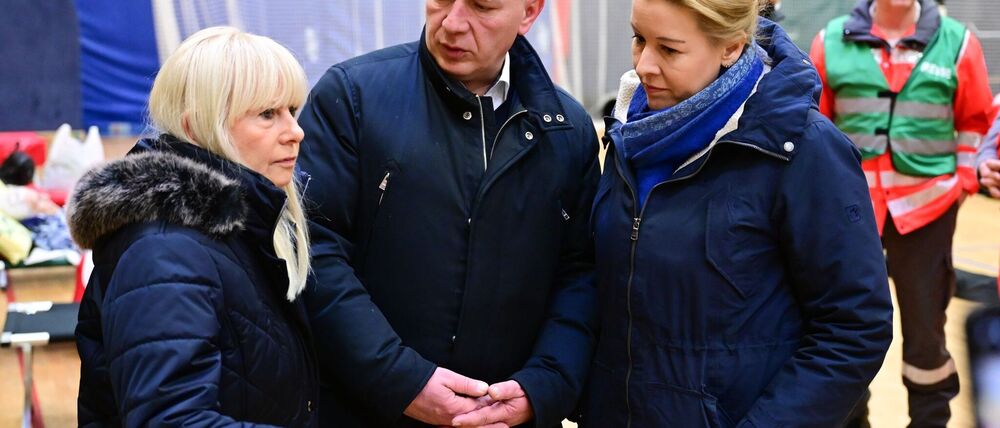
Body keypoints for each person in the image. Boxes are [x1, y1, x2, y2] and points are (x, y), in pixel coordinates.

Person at [583, 0, 894, 426]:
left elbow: (855, 327)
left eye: (669, 49)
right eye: (639, 39)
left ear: (731, 47)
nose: (644, 65)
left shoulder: (803, 149)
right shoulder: (627, 133)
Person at [296, 0, 600, 426]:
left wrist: (541, 386)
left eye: (482, 6)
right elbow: (313, 250)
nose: (453, 23)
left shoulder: (568, 130)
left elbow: (580, 276)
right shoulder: (351, 97)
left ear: (530, 12)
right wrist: (403, 381)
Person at [69, 26, 318, 427]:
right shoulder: (163, 250)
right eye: (268, 114)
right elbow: (171, 419)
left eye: (292, 110)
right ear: (195, 128)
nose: (295, 132)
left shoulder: (234, 227)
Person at [810, 0, 994, 425]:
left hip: (929, 210)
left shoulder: (958, 43)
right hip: (850, 212)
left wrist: (964, 181)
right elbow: (816, 124)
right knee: (843, 324)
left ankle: (929, 420)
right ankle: (851, 420)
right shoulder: (829, 41)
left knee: (926, 330)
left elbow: (975, 123)